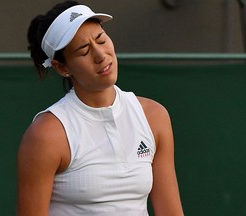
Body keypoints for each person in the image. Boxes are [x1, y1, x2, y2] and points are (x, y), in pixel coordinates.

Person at [17, 1, 184, 215]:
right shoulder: (46, 134)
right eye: (84, 51)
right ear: (62, 67)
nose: (100, 55)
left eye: (101, 39)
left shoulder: (154, 116)